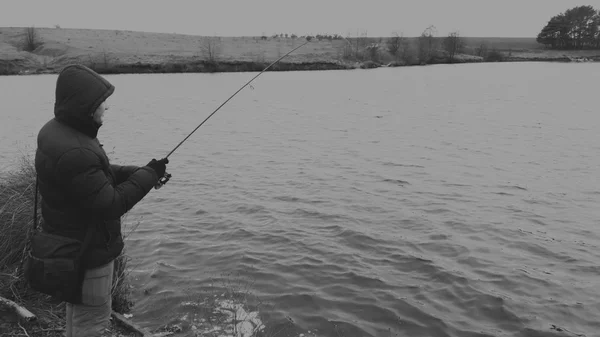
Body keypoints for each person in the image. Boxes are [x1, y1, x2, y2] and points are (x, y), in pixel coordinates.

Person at [34, 64, 169, 336]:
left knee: (78, 315)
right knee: (92, 322)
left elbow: (92, 177)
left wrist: (140, 172)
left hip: (67, 246)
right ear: (84, 106)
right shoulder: (76, 150)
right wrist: (147, 177)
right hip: (88, 251)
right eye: (101, 103)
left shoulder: (57, 132)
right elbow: (111, 204)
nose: (106, 108)